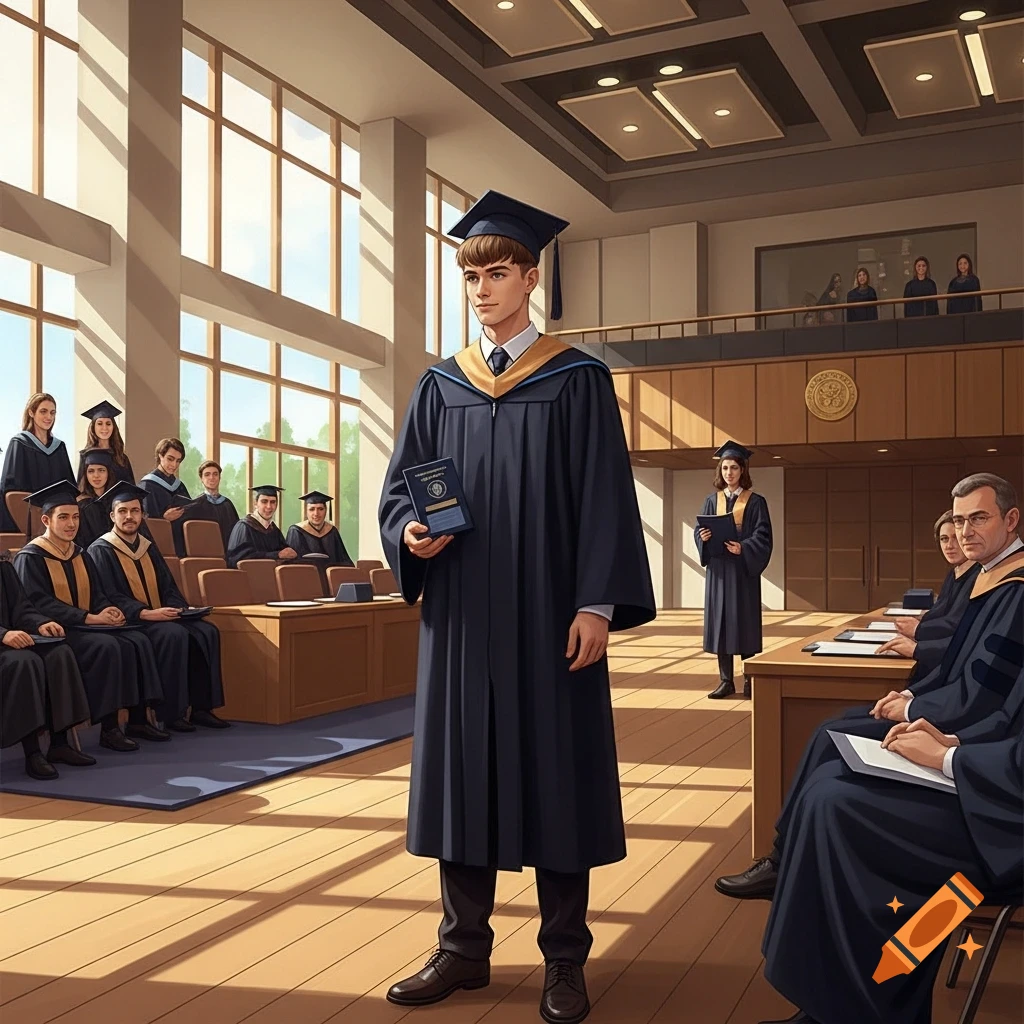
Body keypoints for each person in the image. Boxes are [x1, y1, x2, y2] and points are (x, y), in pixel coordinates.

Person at [378, 190, 655, 1024]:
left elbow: (605, 499)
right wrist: (412, 533)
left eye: (497, 273)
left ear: (530, 277)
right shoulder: (438, 385)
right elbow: (400, 494)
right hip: (461, 613)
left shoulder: (578, 379)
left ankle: (564, 959)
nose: (482, 288)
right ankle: (463, 949)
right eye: (472, 276)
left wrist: (598, 604)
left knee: (557, 775)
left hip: (548, 616)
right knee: (464, 773)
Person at [715, 472, 1023, 902]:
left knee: (832, 740)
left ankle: (790, 862)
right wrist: (911, 696)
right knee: (832, 732)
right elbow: (958, 664)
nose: (964, 532)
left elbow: (985, 689)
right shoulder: (992, 575)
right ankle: (786, 859)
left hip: (973, 734)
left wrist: (919, 717)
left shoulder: (1014, 588)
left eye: (978, 519)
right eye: (959, 520)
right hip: (956, 715)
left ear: (1011, 521)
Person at [757, 723, 1022, 1024]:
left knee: (841, 810)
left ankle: (857, 1009)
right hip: (1004, 799)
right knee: (830, 787)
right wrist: (955, 745)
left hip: (1009, 834)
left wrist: (949, 758)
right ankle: (837, 1007)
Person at [13, 481, 168, 754]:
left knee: (134, 639)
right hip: (58, 631)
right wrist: (89, 618)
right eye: (63, 517)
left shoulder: (80, 554)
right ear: (46, 520)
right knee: (108, 647)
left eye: (75, 517)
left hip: (86, 626)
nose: (71, 524)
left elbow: (97, 592)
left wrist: (107, 609)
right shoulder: (31, 556)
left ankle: (136, 720)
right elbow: (39, 603)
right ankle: (108, 728)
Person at [87, 482, 229, 733]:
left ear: (142, 515)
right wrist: (145, 612)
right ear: (112, 515)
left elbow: (168, 587)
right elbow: (107, 595)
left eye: (135, 511)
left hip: (158, 615)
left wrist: (178, 609)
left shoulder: (147, 546)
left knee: (206, 631)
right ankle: (171, 714)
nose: (129, 516)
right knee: (172, 634)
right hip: (131, 621)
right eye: (123, 511)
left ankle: (201, 708)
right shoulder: (101, 549)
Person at [1, 552, 92, 780]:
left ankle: (59, 743)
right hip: (5, 643)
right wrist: (3, 634)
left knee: (59, 652)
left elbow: (22, 608)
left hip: (12, 641)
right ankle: (32, 752)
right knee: (25, 662)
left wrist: (41, 623)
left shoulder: (3, 567)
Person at [695, 441, 773, 699]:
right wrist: (703, 537)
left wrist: (744, 547)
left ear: (742, 470)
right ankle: (726, 680)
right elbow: (700, 530)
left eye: (734, 468)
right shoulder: (711, 501)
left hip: (741, 572)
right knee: (721, 624)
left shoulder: (755, 502)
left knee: (744, 624)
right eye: (725, 468)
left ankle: (749, 680)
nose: (729, 472)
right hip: (718, 571)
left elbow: (763, 536)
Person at [875, 509, 980, 681]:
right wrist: (917, 625)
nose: (949, 546)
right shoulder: (954, 573)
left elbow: (956, 626)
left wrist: (918, 631)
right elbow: (939, 613)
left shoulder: (978, 576)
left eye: (955, 538)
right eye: (944, 539)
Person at [0, 392, 76, 535]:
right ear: (31, 412)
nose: (49, 417)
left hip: (57, 518)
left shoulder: (59, 447)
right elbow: (10, 488)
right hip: (27, 519)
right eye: (43, 411)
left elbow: (69, 486)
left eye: (53, 413)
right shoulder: (19, 443)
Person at [140, 437, 197, 557]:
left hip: (180, 545)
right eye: (170, 459)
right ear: (160, 455)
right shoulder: (147, 485)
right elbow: (145, 522)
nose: (174, 465)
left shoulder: (179, 486)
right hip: (159, 547)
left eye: (178, 461)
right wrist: (163, 518)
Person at [285, 491, 353, 578]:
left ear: (326, 511)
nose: (316, 514)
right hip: (305, 579)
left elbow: (344, 560)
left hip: (330, 580)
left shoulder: (332, 531)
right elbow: (291, 564)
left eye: (320, 509)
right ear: (306, 512)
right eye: (312, 509)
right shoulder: (296, 531)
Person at [225, 485, 297, 568]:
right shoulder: (244, 527)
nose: (269, 506)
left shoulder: (274, 530)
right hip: (249, 578)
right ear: (255, 503)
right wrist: (276, 555)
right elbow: (238, 559)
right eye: (264, 501)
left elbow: (284, 553)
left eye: (273, 502)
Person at [76, 400, 135, 484]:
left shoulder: (121, 458)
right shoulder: (86, 456)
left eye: (108, 424)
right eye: (100, 424)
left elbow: (131, 488)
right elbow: (81, 488)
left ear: (113, 427)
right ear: (93, 428)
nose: (104, 428)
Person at [193, 460, 239, 549]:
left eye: (215, 474)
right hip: (205, 552)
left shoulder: (227, 504)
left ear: (219, 477)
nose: (212, 477)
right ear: (201, 479)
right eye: (207, 474)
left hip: (228, 553)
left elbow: (236, 533)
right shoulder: (196, 504)